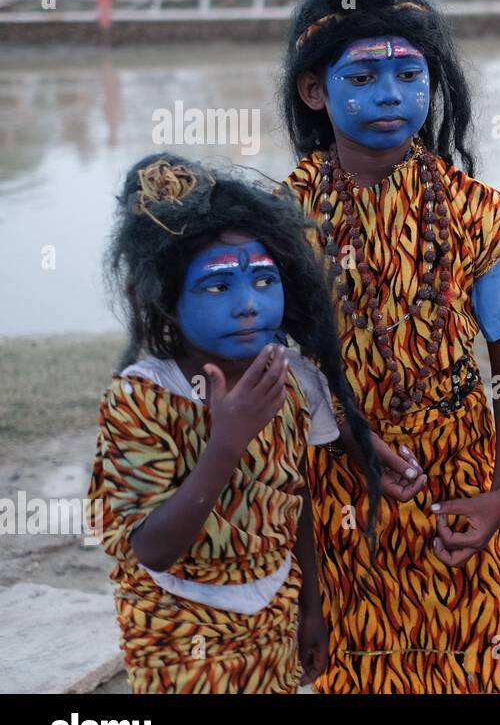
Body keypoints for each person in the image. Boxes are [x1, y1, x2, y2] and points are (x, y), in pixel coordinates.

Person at [280, 0, 500, 693]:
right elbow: (282, 396)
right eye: (362, 76)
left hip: (458, 500)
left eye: (409, 73)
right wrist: (306, 584)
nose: (390, 93)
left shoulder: (477, 216)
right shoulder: (280, 225)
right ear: (314, 92)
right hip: (332, 495)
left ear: (435, 80)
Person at [88, 154, 382, 693]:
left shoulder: (288, 377)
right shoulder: (143, 396)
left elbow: (292, 497)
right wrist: (227, 441)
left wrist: (309, 609)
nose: (248, 306)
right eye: (218, 288)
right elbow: (153, 548)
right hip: (179, 632)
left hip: (272, 615)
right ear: (167, 301)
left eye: (264, 281)